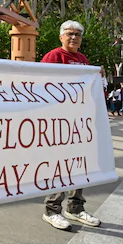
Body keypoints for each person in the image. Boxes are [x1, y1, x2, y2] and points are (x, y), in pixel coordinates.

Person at [39, 20, 102, 231]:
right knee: (60, 166)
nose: (74, 37)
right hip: (59, 121)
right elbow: (42, 85)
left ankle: (75, 208)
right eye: (69, 34)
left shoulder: (83, 60)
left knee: (79, 165)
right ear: (61, 37)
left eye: (78, 34)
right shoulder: (53, 57)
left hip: (80, 123)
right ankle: (52, 209)